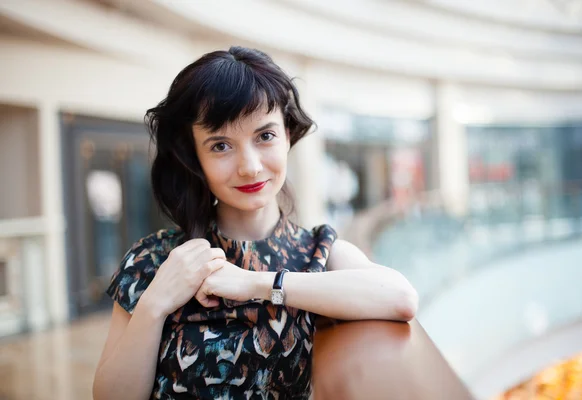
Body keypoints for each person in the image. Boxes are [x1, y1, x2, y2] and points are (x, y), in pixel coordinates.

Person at [92, 46, 419, 400]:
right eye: (220, 146)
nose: (249, 166)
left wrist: (255, 283)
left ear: (288, 135)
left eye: (264, 136)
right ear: (195, 156)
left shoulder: (319, 254)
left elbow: (400, 297)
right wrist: (155, 303)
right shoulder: (154, 259)